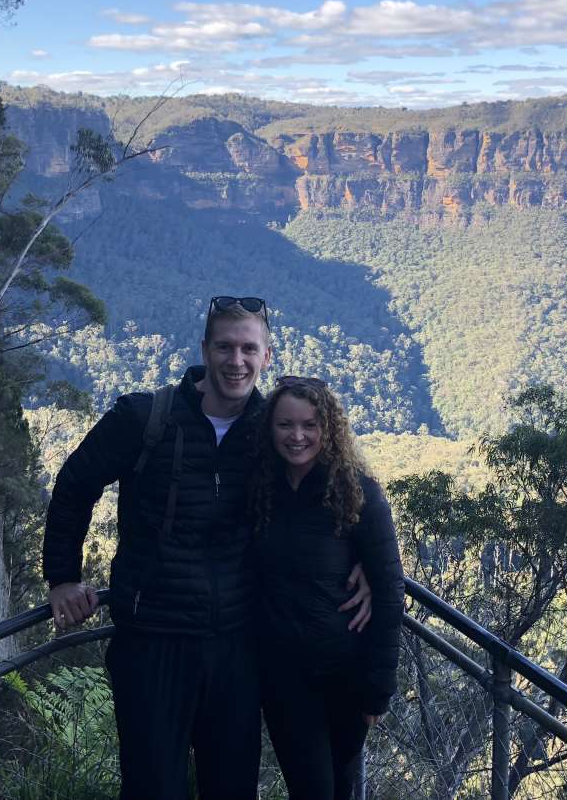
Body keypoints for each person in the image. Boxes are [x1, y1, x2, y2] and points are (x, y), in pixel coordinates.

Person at [41, 297, 373, 800]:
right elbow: (74, 485)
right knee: (154, 787)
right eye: (224, 346)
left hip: (236, 646)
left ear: (266, 357)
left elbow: (340, 486)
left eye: (248, 349)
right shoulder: (144, 418)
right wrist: (63, 576)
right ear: (204, 349)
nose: (235, 361)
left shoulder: (274, 430)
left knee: (233, 788)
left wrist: (366, 561)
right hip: (152, 639)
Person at [251, 376, 405, 800]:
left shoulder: (358, 493)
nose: (297, 436)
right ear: (269, 428)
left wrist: (378, 688)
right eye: (285, 425)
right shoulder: (259, 488)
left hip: (345, 675)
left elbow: (391, 590)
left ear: (328, 429)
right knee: (313, 787)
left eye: (310, 425)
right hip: (282, 675)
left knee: (338, 783)